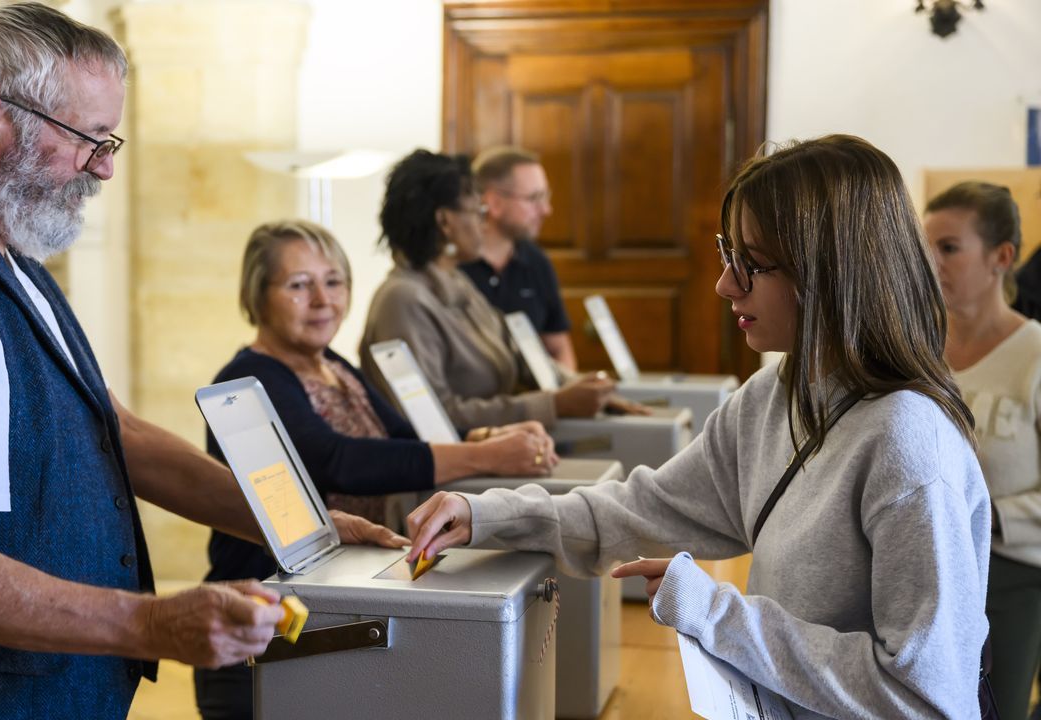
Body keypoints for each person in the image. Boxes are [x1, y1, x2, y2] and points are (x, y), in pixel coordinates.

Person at [0, 5, 401, 719]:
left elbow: (117, 432)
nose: (106, 167)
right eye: (88, 139)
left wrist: (303, 523)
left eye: (109, 140)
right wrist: (152, 624)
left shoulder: (8, 257)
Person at [406, 135, 991, 717]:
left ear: (833, 270)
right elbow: (639, 509)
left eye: (753, 266)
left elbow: (926, 700)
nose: (725, 286)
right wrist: (485, 513)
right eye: (726, 256)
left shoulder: (909, 444)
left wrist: (716, 614)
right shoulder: (774, 394)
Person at [195, 218, 560, 720]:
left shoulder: (336, 365)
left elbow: (404, 443)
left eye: (334, 281)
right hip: (261, 633)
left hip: (333, 619)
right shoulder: (249, 376)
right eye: (299, 285)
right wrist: (487, 457)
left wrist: (484, 436)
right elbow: (341, 461)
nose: (323, 300)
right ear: (258, 295)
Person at [359, 149, 644, 431]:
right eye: (477, 212)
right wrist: (553, 404)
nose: (485, 224)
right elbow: (433, 418)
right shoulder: (402, 299)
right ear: (445, 221)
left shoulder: (457, 282)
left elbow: (517, 351)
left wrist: (583, 387)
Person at [925, 181, 1041, 719]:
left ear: (1002, 257)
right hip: (922, 566)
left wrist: (987, 516)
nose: (933, 262)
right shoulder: (916, 351)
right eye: (926, 248)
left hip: (1012, 578)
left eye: (949, 248)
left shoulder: (1034, 356)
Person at [460, 146, 577, 370]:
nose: (546, 210)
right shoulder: (451, 268)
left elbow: (558, 347)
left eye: (546, 197)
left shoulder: (536, 261)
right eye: (534, 198)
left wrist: (566, 396)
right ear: (493, 202)